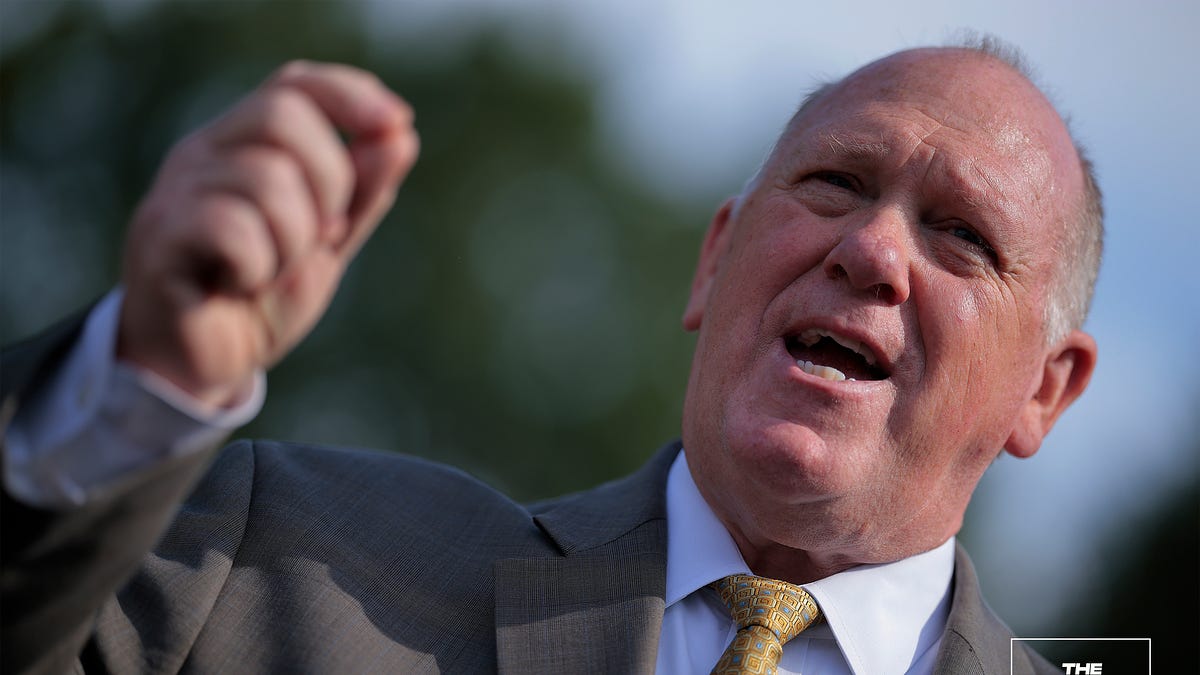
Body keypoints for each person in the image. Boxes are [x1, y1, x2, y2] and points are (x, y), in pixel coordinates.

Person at [1, 39, 1100, 675]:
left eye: (962, 235)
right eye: (836, 182)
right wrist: (140, 380)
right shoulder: (275, 554)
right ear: (713, 263)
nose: (870, 250)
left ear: (1045, 392)